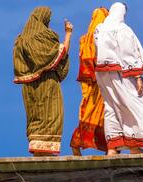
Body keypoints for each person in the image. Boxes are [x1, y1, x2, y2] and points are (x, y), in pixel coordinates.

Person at [94, 2, 143, 156]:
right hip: (121, 73)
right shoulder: (123, 29)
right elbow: (127, 54)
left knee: (111, 107)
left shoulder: (99, 29)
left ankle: (112, 148)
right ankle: (135, 147)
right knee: (137, 106)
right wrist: (137, 76)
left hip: (102, 74)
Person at [14, 6, 73, 155]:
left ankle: (38, 152)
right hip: (47, 83)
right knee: (52, 115)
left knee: (35, 116)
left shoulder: (20, 39)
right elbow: (60, 54)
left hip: (29, 87)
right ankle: (45, 154)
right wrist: (68, 34)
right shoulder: (44, 36)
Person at [70, 7, 109, 156]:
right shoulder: (102, 38)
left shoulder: (83, 40)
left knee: (88, 114)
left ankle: (76, 145)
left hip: (90, 85)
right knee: (105, 115)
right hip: (101, 83)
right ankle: (110, 149)